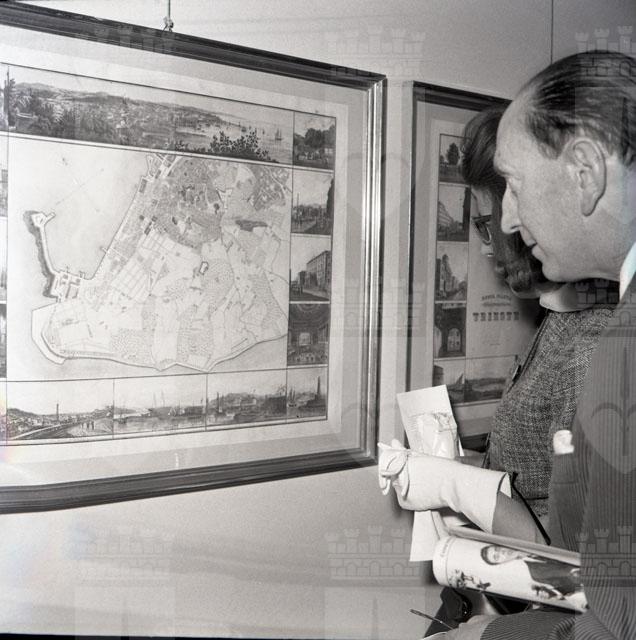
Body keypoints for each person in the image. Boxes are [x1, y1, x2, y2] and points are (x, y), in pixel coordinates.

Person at [414, 50, 636, 640]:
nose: (506, 223)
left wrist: (486, 636)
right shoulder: (593, 326)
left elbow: (603, 609)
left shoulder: (613, 348)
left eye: (513, 187)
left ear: (585, 172)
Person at [461, 106, 616, 524]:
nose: (486, 245)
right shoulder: (561, 316)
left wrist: (460, 491)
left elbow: (581, 538)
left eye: (486, 223)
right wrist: (469, 472)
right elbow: (532, 476)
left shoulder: (591, 345)